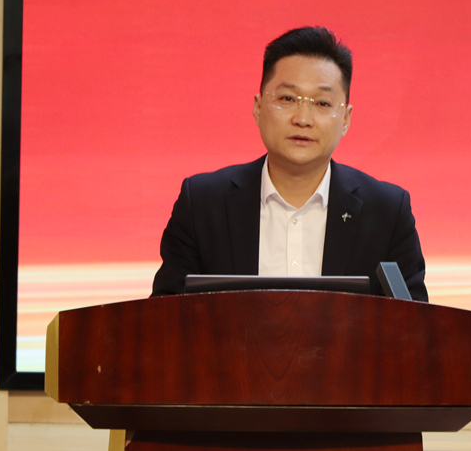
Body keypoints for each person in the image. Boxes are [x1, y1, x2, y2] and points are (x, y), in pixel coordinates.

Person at [151, 27, 427, 301]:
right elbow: (164, 318)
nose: (303, 119)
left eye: (322, 103)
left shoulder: (387, 213)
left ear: (345, 119)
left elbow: (415, 322)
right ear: (258, 107)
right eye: (287, 99)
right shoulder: (202, 204)